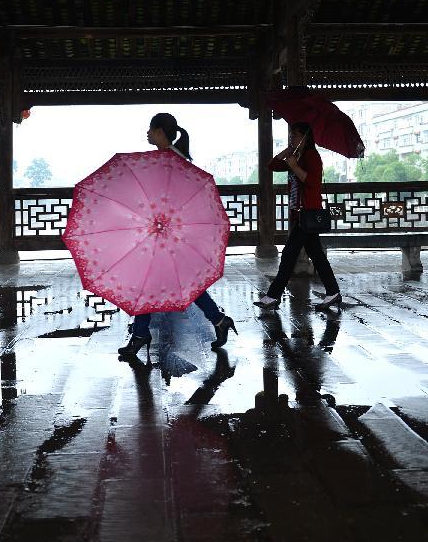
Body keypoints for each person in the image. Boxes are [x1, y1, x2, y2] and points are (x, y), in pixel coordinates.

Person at [118, 112, 237, 361]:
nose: (147, 133)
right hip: (166, 232)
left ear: (160, 131)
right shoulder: (166, 158)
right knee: (179, 284)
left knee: (150, 283)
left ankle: (141, 334)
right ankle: (218, 320)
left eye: (150, 129)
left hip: (173, 233)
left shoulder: (171, 160)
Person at [254, 122, 341, 311]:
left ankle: (272, 296)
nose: (291, 138)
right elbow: (272, 165)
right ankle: (333, 291)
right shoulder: (298, 156)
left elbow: (312, 181)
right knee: (316, 255)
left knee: (288, 255)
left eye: (294, 136)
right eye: (290, 136)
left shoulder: (311, 156)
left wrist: (294, 166)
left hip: (307, 212)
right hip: (299, 214)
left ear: (305, 137)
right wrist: (287, 152)